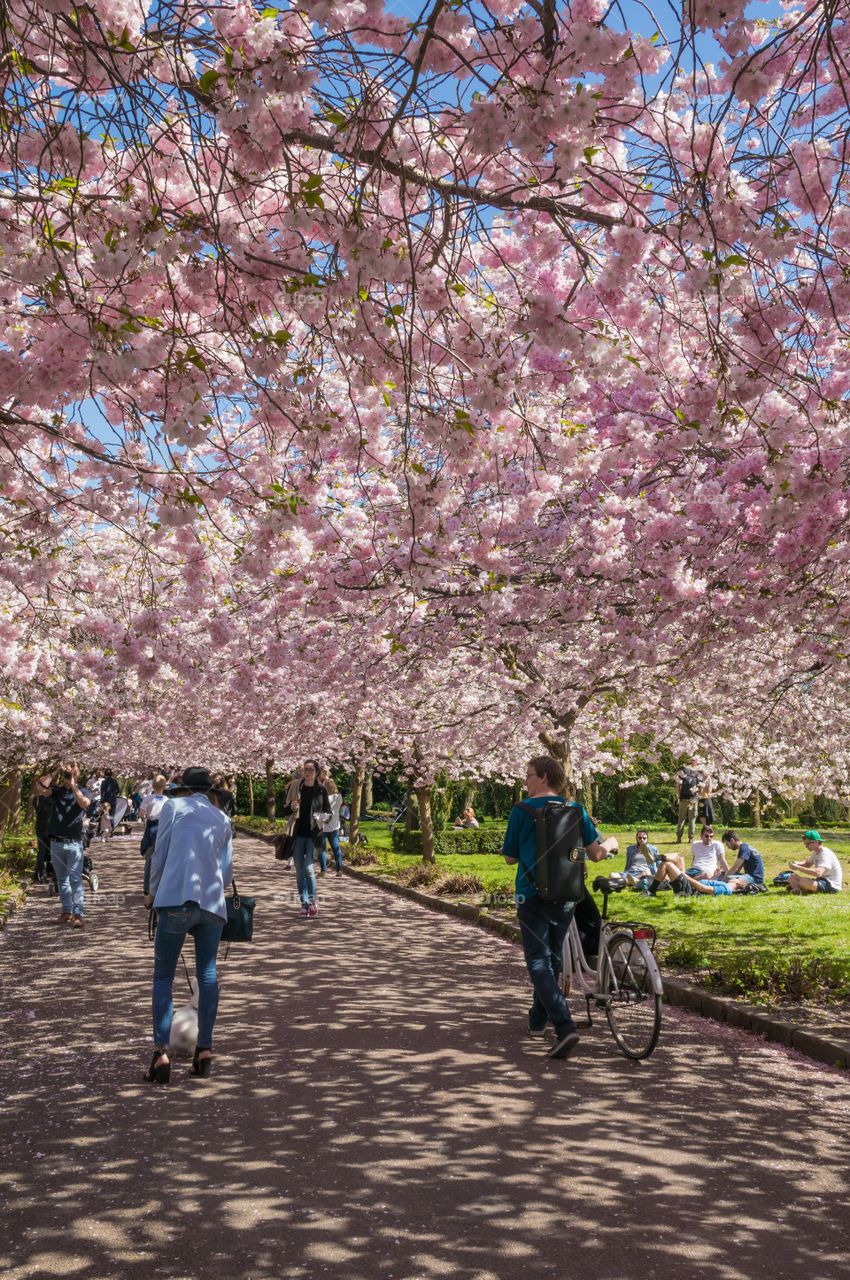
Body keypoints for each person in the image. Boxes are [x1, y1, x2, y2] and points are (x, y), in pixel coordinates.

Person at [503, 755, 609, 1060]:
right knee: (551, 958)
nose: (525, 781)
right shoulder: (576, 810)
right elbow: (596, 853)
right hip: (565, 896)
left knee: (538, 961)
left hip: (530, 895)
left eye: (529, 775)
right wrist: (611, 843)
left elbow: (510, 857)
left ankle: (564, 1026)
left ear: (544, 777)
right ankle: (538, 1019)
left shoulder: (521, 810)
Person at [143, 767, 233, 1084]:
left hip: (175, 898)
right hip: (211, 904)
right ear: (210, 791)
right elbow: (227, 872)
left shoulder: (172, 807)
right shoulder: (222, 819)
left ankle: (161, 1054)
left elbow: (160, 853)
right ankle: (204, 1049)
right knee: (207, 976)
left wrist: (152, 892)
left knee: (164, 975)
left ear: (183, 787)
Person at [47, 762, 91, 927]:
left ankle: (78, 914)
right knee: (62, 880)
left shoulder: (84, 791)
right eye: (67, 770)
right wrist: (55, 771)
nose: (69, 772)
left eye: (73, 769)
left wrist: (73, 786)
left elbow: (84, 803)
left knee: (75, 879)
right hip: (56, 843)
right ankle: (66, 912)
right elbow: (41, 788)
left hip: (74, 844)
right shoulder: (57, 791)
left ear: (78, 773)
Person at [289, 760, 330, 917]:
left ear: (316, 772)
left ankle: (313, 902)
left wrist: (319, 816)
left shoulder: (321, 790)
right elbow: (285, 807)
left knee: (308, 868)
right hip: (298, 834)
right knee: (299, 872)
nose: (307, 772)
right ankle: (304, 904)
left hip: (313, 835)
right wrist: (291, 807)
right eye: (305, 769)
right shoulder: (296, 787)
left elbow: (328, 813)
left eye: (311, 770)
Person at [648, 823, 727, 893]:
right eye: (706, 836)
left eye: (711, 836)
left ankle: (652, 889)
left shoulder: (717, 845)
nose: (709, 838)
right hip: (692, 870)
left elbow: (723, 861)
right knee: (676, 858)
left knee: (668, 864)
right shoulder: (695, 844)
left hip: (704, 872)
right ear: (701, 836)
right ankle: (657, 858)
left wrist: (729, 875)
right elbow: (694, 859)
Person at [787, 830, 843, 895]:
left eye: (807, 844)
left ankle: (802, 888)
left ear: (816, 842)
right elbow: (806, 864)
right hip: (820, 881)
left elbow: (817, 873)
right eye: (805, 844)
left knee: (803, 881)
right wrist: (796, 863)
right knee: (792, 877)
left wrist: (798, 867)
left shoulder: (825, 854)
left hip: (831, 885)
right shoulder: (815, 852)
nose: (806, 846)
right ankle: (797, 890)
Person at [139, 775, 168, 895]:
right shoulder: (168, 800)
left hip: (151, 826)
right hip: (163, 827)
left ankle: (147, 887)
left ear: (153, 786)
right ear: (164, 786)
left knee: (149, 857)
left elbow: (141, 813)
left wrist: (144, 817)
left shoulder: (148, 799)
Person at [30, 771, 54, 883]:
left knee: (42, 851)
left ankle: (41, 875)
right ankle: (54, 873)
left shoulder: (36, 799)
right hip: (51, 827)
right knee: (54, 851)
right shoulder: (52, 799)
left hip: (40, 826)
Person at [318, 770, 344, 874]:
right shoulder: (339, 797)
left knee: (322, 849)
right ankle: (339, 869)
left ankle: (323, 870)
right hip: (334, 825)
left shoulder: (323, 797)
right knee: (336, 847)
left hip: (323, 825)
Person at [675, 757, 703, 843]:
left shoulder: (683, 771)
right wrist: (698, 797)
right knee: (692, 819)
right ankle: (691, 838)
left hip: (683, 799)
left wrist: (678, 796)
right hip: (693, 799)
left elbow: (677, 785)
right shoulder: (699, 773)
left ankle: (679, 838)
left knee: (681, 819)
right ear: (697, 762)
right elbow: (701, 786)